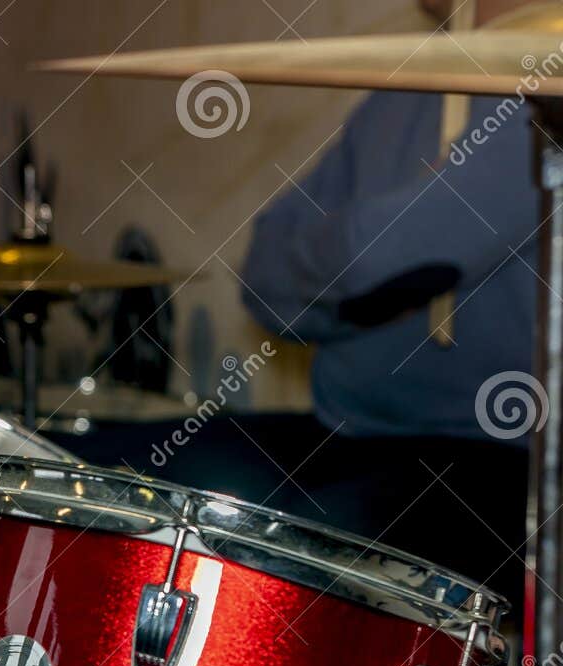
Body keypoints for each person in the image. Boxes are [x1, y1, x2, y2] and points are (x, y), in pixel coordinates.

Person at [159, 0, 537, 607]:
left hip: (499, 466)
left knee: (280, 561)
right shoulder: (406, 90)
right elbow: (263, 282)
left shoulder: (547, 91)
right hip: (344, 434)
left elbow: (389, 256)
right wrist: (366, 284)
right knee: (117, 476)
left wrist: (350, 268)